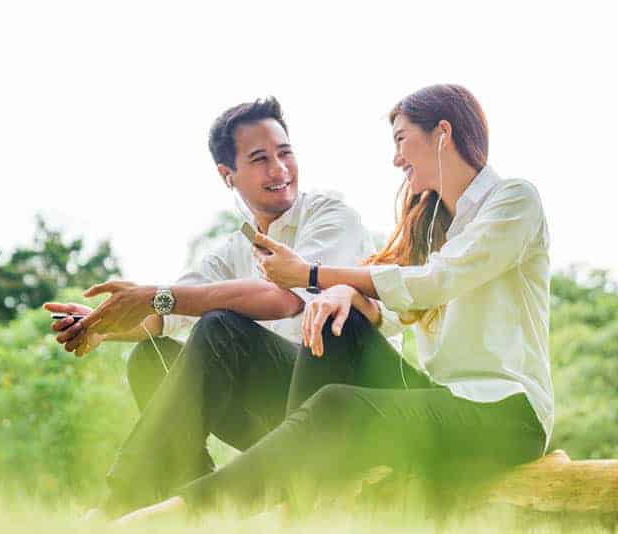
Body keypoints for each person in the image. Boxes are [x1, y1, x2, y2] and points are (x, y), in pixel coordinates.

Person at [114, 84, 552, 524]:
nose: (397, 157)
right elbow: (396, 311)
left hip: (505, 414)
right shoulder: (431, 223)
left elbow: (437, 281)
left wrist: (315, 276)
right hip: (438, 398)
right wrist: (345, 295)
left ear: (442, 133)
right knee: (332, 318)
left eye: (401, 139)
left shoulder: (513, 200)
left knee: (337, 403)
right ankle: (288, 493)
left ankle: (184, 513)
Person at [43, 96, 391, 516]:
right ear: (229, 175)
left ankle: (123, 498)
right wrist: (103, 325)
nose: (279, 170)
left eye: (285, 153)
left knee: (222, 327)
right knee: (150, 360)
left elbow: (282, 299)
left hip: (338, 405)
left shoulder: (332, 216)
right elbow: (169, 314)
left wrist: (155, 293)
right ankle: (190, 497)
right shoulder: (233, 249)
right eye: (260, 159)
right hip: (276, 412)